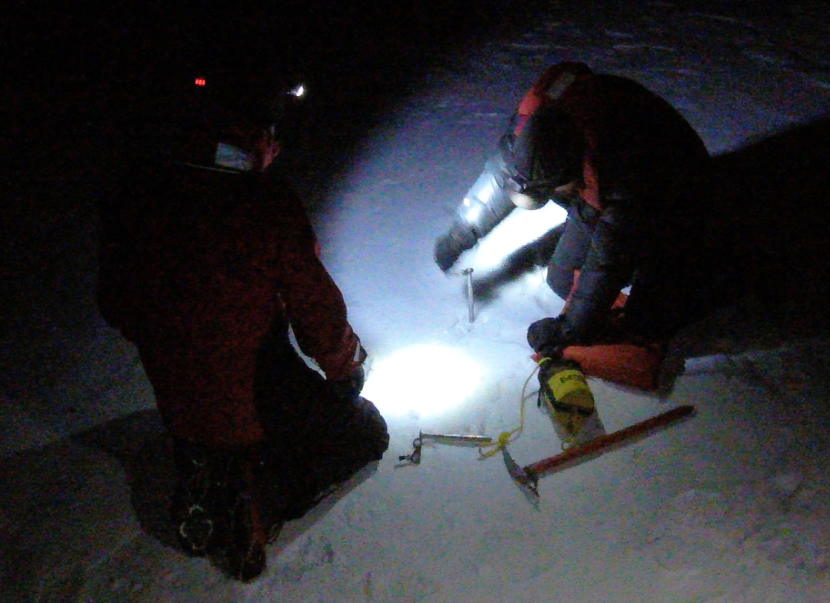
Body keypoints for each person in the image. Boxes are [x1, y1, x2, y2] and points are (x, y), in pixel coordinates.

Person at [96, 62, 388, 581]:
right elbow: (315, 306)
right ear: (261, 138)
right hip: (245, 381)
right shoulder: (264, 204)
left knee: (219, 405)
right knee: (364, 432)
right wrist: (344, 369)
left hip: (173, 390)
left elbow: (114, 302)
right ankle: (253, 500)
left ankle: (205, 461)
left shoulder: (139, 196)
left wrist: (174, 330)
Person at [434, 61, 719, 358]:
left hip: (675, 193)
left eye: (553, 190)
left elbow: (608, 259)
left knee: (650, 315)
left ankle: (670, 279)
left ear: (572, 175)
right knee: (562, 280)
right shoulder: (533, 128)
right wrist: (462, 231)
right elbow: (503, 176)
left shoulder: (619, 171)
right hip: (599, 189)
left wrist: (569, 331)